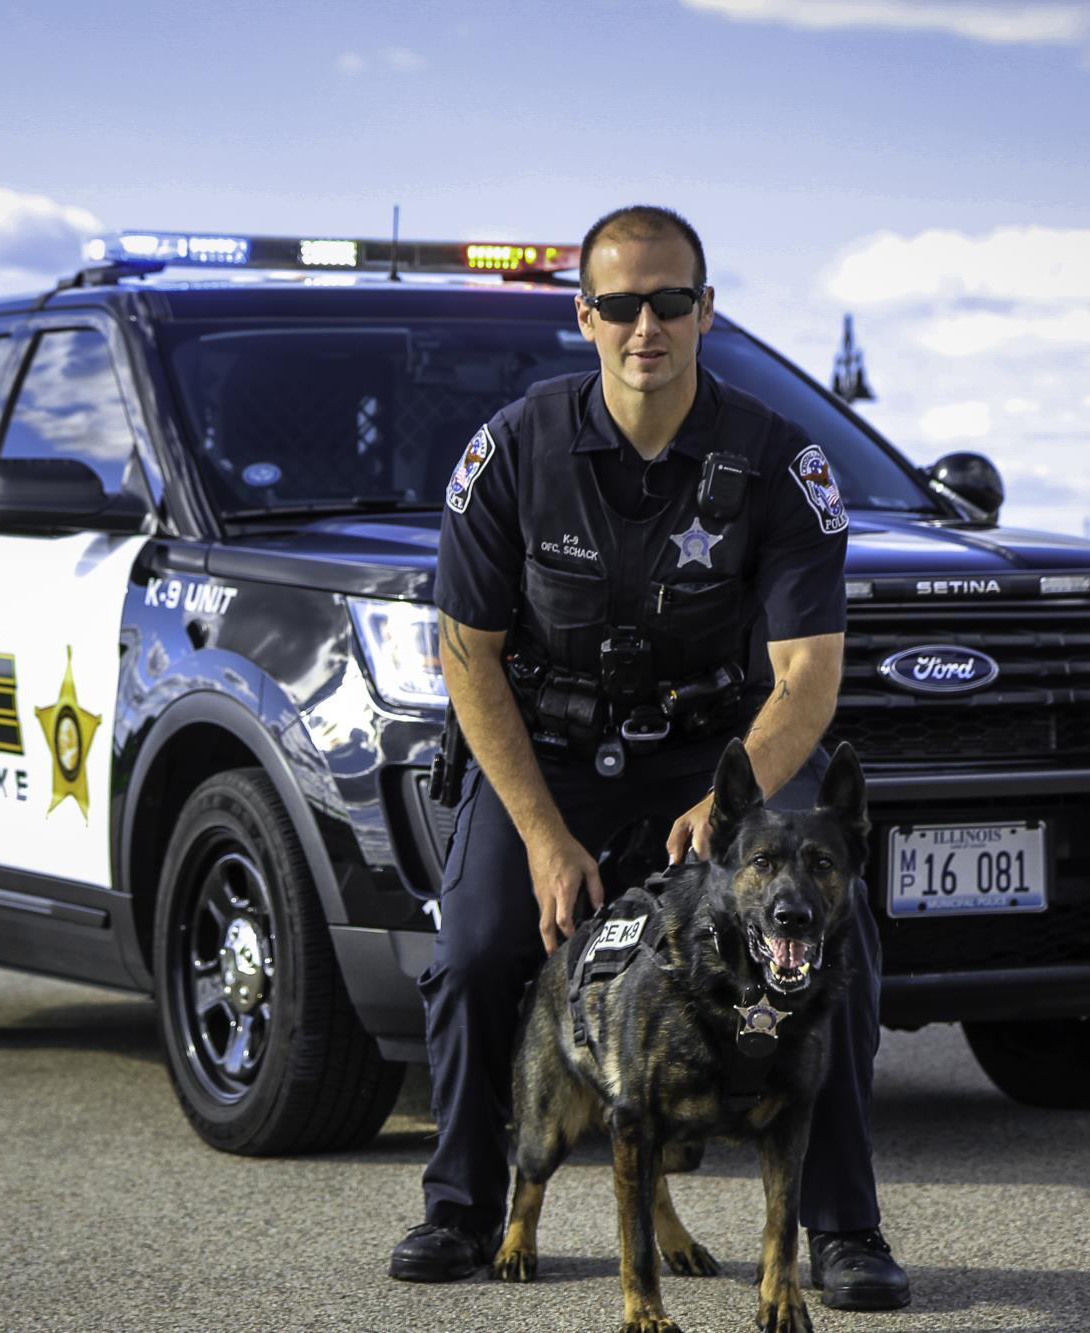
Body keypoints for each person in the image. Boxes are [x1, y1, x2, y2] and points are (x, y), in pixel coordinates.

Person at [387, 205, 911, 1312]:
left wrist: (734, 806)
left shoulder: (778, 463)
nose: (645, 325)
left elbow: (807, 672)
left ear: (703, 310)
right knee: (482, 949)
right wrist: (538, 836)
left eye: (669, 301)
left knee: (833, 943)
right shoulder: (514, 450)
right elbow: (467, 657)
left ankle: (844, 1230)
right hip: (552, 756)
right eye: (619, 304)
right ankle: (462, 1207)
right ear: (583, 316)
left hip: (716, 760)